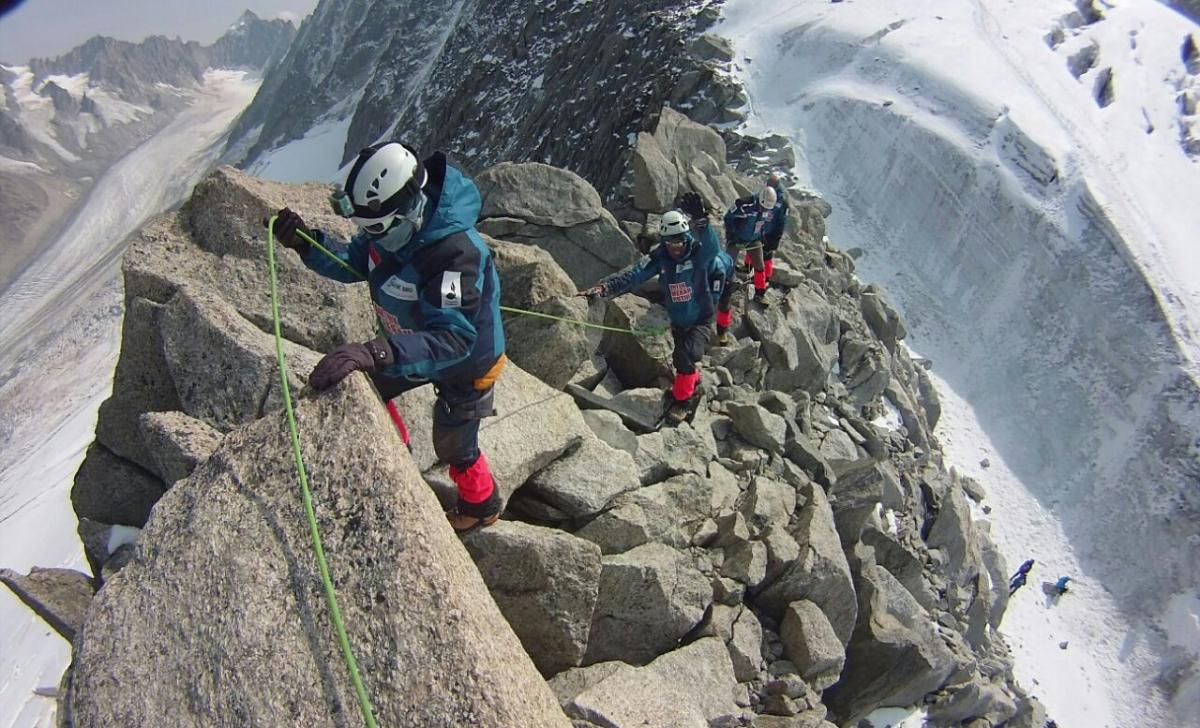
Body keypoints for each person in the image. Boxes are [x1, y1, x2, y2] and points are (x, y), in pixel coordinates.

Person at [270, 141, 507, 534]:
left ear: (411, 209)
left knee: (453, 441)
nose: (370, 238)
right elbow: (354, 261)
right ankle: (393, 455)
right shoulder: (391, 231)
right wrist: (306, 243)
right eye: (365, 229)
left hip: (466, 362)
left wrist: (376, 351)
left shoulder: (455, 259)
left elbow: (452, 339)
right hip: (410, 345)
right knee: (368, 387)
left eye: (375, 229)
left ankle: (482, 504)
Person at [578, 192, 732, 424]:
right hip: (678, 319)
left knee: (688, 355)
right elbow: (633, 274)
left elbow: (712, 248)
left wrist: (702, 221)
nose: (675, 247)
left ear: (686, 236)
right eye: (670, 242)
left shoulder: (698, 254)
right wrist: (604, 288)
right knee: (682, 357)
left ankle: (683, 402)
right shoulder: (660, 258)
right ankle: (689, 381)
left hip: (700, 317)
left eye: (679, 241)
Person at [721, 172, 789, 317]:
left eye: (767, 209)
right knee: (728, 263)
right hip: (738, 239)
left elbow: (762, 223)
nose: (765, 211)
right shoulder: (744, 204)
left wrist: (762, 236)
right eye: (763, 207)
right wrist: (731, 233)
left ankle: (760, 292)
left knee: (760, 266)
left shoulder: (768, 209)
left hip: (753, 240)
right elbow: (728, 217)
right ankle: (723, 288)